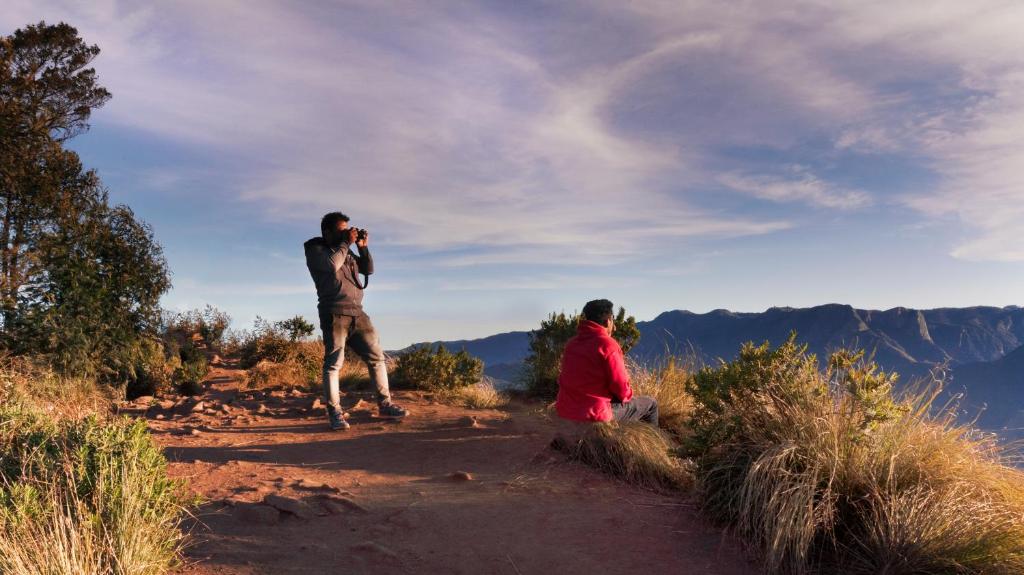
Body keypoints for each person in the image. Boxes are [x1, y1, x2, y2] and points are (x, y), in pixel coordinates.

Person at [304, 212, 407, 430]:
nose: (346, 234)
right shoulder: (316, 249)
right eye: (341, 230)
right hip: (334, 312)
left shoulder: (346, 248)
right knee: (334, 365)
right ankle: (335, 413)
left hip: (358, 313)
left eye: (347, 230)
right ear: (327, 231)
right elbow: (332, 265)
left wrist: (361, 247)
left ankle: (385, 404)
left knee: (377, 358)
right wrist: (345, 242)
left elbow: (368, 269)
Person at [555, 299, 658, 426]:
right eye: (613, 320)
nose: (614, 327)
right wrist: (628, 394)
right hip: (595, 415)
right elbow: (621, 390)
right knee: (650, 404)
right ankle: (654, 443)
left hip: (565, 412)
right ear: (608, 321)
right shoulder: (607, 345)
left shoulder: (571, 344)